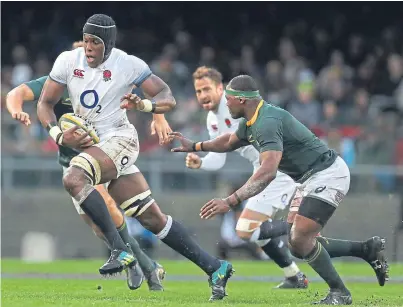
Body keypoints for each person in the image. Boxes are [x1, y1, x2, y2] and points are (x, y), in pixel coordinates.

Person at [36, 14, 233, 301]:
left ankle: (119, 249)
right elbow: (44, 103)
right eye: (86, 40)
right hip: (96, 146)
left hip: (120, 140)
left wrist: (145, 104)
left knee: (74, 177)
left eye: (96, 42)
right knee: (153, 219)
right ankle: (215, 267)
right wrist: (57, 135)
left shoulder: (127, 64)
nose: (88, 47)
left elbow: (167, 95)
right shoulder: (68, 61)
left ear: (109, 44)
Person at [170, 74, 389, 305]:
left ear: (242, 100)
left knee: (301, 239)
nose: (226, 103)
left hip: (328, 174)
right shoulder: (251, 120)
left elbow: (267, 172)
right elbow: (228, 142)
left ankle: (340, 292)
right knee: (297, 245)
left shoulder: (267, 122)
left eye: (229, 98)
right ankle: (367, 249)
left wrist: (230, 201)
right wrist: (195, 145)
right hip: (307, 179)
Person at [6, 63, 169, 291]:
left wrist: (158, 117)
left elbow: (145, 86)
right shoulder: (55, 84)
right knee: (98, 226)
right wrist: (16, 109)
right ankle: (146, 264)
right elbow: (16, 93)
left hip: (104, 155)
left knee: (110, 209)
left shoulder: (104, 81)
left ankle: (136, 262)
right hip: (71, 166)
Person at [185, 66, 308, 288]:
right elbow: (219, 158)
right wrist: (201, 162)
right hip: (261, 168)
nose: (202, 95)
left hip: (278, 168)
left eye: (206, 89)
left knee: (246, 229)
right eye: (198, 91)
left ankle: (303, 224)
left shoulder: (236, 107)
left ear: (220, 88)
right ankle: (294, 276)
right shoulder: (212, 119)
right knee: (254, 231)